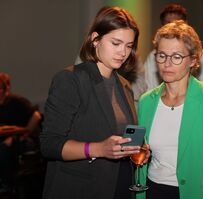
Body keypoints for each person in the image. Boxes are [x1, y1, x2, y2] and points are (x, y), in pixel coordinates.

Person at [40, 6, 149, 199]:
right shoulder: (71, 79)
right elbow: (50, 144)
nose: (123, 52)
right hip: (80, 187)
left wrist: (136, 148)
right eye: (116, 43)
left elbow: (121, 137)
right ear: (95, 39)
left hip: (120, 183)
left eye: (129, 45)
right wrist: (98, 149)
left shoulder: (124, 85)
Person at [137, 20, 203, 199]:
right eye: (162, 55)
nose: (167, 63)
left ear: (192, 60)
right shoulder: (146, 101)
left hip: (195, 193)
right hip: (152, 190)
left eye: (176, 56)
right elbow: (142, 151)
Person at [144, 3, 203, 91]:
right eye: (168, 23)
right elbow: (151, 90)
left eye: (177, 57)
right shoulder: (153, 56)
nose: (173, 27)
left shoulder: (201, 55)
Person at [0, 72, 42, 194]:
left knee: (4, 148)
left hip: (23, 140)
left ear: (6, 88)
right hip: (5, 139)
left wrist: (24, 134)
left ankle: (8, 185)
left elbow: (36, 116)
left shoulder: (17, 101)